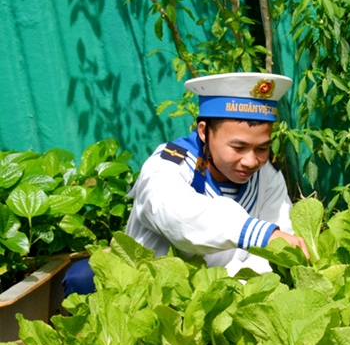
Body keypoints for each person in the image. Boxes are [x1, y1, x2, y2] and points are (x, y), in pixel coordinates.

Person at [63, 72, 309, 295]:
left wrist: (237, 290)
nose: (251, 160)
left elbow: (272, 250)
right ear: (204, 131)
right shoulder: (166, 167)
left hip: (222, 293)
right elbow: (180, 217)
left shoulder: (267, 175)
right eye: (238, 147)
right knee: (83, 278)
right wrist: (261, 235)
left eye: (262, 148)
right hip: (146, 289)